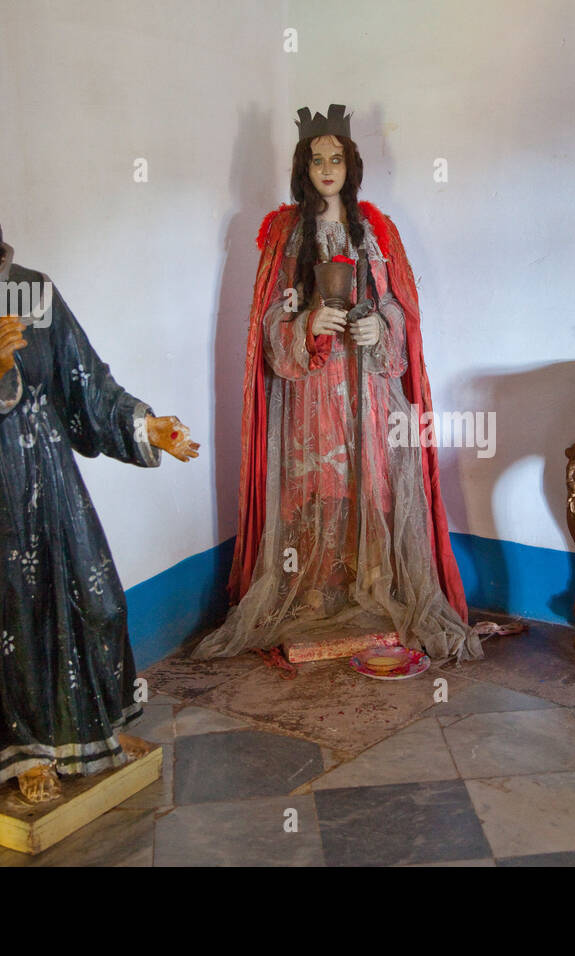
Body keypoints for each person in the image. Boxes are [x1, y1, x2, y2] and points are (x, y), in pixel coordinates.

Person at [0, 140, 199, 803]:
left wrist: (146, 425)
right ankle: (17, 750)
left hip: (56, 483)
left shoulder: (35, 290)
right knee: (7, 616)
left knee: (94, 598)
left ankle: (80, 729)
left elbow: (84, 382)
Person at [194, 105, 481, 662]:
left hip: (367, 386)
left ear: (352, 165)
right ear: (304, 167)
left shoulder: (376, 230)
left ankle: (372, 589)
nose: (328, 168)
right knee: (313, 487)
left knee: (370, 481)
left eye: (338, 158)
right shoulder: (284, 233)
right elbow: (270, 321)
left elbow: (403, 309)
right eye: (317, 159)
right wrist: (304, 324)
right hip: (308, 393)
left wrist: (381, 324)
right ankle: (313, 598)